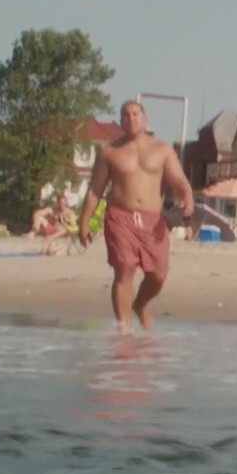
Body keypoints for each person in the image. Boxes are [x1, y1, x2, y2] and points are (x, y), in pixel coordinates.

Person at [76, 100, 195, 333]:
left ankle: (140, 305)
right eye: (126, 115)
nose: (131, 119)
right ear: (121, 121)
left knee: (158, 274)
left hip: (153, 221)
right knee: (125, 267)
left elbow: (180, 182)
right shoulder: (109, 152)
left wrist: (187, 199)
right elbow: (94, 190)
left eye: (136, 114)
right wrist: (84, 222)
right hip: (120, 217)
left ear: (145, 118)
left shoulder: (162, 150)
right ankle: (123, 326)